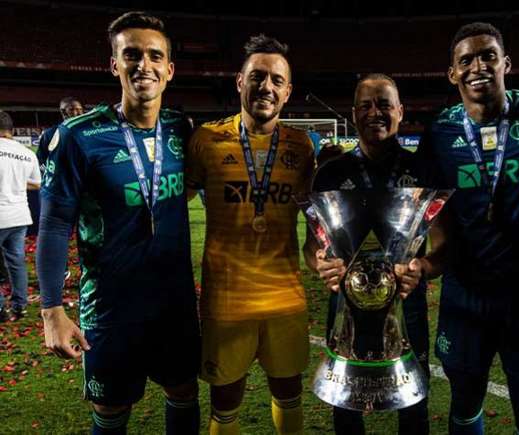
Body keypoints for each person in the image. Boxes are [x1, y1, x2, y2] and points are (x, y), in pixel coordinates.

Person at [36, 11, 200, 434]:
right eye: (131, 54)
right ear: (115, 65)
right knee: (111, 412)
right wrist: (52, 311)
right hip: (111, 307)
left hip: (175, 303)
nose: (143, 64)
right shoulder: (78, 136)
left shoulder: (182, 129)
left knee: (183, 392)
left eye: (154, 56)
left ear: (169, 70)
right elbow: (54, 226)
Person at [415, 22, 519, 434]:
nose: (478, 66)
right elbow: (428, 211)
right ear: (452, 73)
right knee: (465, 400)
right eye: (466, 60)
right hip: (465, 297)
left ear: (505, 63)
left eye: (488, 55)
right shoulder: (440, 131)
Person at [185, 34, 314, 435]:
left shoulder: (302, 146)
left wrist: (322, 253)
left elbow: (316, 222)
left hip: (284, 297)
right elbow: (171, 207)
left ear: (288, 91)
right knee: (225, 403)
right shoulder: (205, 140)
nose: (267, 87)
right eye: (257, 76)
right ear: (239, 81)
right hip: (227, 301)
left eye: (277, 80)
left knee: (289, 392)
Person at [305, 73, 428, 434]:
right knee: (346, 403)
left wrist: (423, 266)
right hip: (345, 305)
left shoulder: (421, 169)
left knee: (414, 403)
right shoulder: (330, 173)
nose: (375, 112)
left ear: (401, 112)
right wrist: (321, 264)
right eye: (366, 105)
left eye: (384, 104)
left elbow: (445, 242)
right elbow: (312, 244)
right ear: (353, 113)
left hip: (407, 303)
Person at [0, 110, 40, 321]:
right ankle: (20, 306)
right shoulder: (26, 152)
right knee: (16, 261)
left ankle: (1, 310)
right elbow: (37, 183)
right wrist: (14, 185)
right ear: (12, 131)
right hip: (19, 216)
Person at [37, 97, 85, 169]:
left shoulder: (88, 132)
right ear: (63, 111)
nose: (77, 113)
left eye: (80, 109)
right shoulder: (50, 134)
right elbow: (40, 159)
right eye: (72, 109)